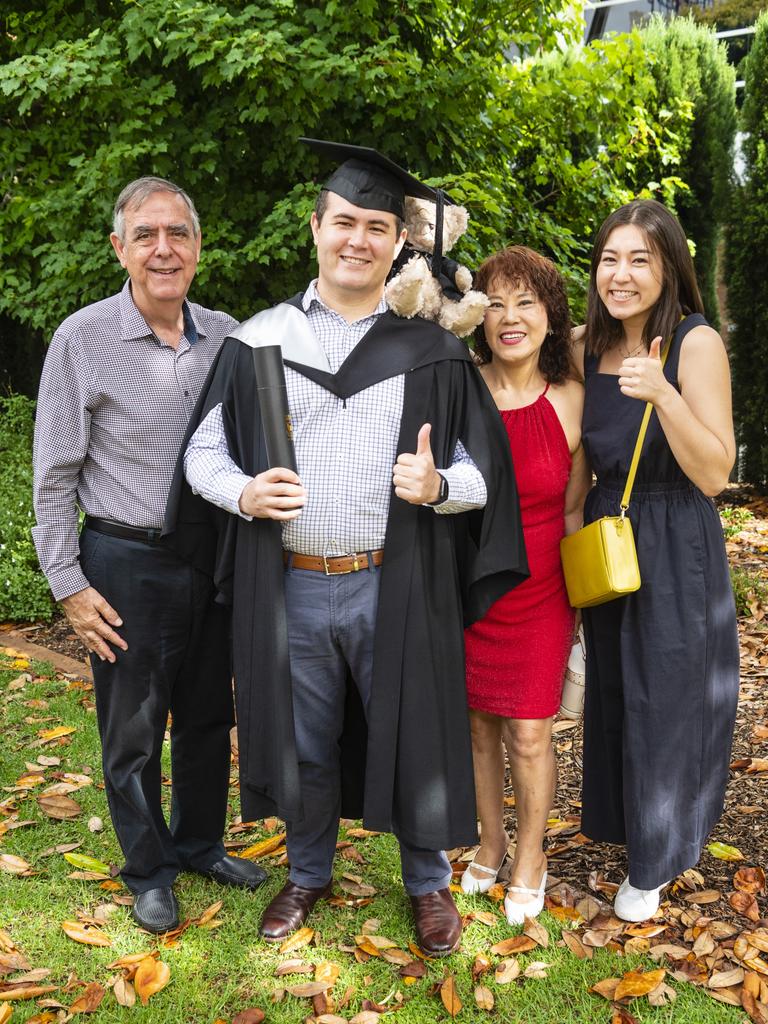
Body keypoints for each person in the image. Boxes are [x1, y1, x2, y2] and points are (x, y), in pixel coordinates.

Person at [169, 139, 528, 955]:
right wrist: (243, 493)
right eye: (343, 223)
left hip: (391, 582)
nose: (357, 240)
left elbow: (483, 477)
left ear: (398, 242)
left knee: (411, 731)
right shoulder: (261, 338)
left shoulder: (433, 350)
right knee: (305, 740)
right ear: (315, 228)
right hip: (290, 584)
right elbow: (200, 456)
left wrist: (438, 487)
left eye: (375, 226)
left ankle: (428, 886)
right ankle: (307, 871)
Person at [32, 176, 267, 935]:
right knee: (132, 729)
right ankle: (149, 869)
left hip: (212, 553)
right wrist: (68, 583)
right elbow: (54, 473)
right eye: (146, 235)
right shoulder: (82, 339)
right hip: (124, 560)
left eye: (178, 234)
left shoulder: (232, 337)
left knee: (206, 715)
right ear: (120, 248)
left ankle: (199, 843)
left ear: (198, 247)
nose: (163, 249)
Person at [572, 198, 739, 922]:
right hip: (608, 536)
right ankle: (627, 828)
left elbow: (716, 471)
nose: (622, 273)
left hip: (675, 539)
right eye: (610, 257)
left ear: (670, 267)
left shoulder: (693, 343)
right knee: (615, 692)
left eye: (640, 258)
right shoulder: (586, 345)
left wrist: (664, 394)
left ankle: (659, 859)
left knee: (667, 698)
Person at [460, 247, 590, 925]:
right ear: (478, 316)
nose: (511, 318)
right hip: (473, 580)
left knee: (530, 733)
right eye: (496, 303)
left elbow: (573, 508)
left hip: (543, 586)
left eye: (527, 302)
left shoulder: (573, 395)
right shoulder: (460, 385)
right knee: (479, 725)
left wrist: (581, 605)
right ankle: (489, 840)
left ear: (549, 314)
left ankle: (531, 856)